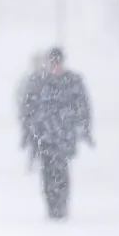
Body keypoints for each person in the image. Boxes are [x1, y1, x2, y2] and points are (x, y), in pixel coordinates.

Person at [18, 47, 93, 219]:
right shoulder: (38, 82)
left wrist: (85, 129)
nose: (55, 66)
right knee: (47, 173)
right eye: (53, 63)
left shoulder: (72, 81)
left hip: (63, 138)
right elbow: (27, 109)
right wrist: (27, 133)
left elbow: (83, 106)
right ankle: (52, 205)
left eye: (58, 62)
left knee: (62, 172)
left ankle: (62, 204)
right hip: (44, 137)